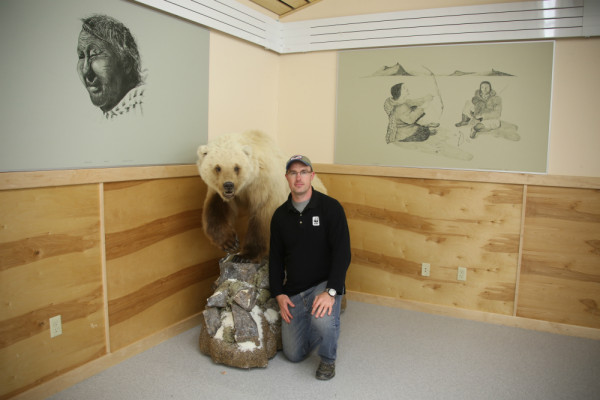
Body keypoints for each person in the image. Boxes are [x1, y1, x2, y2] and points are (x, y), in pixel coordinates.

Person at [269, 155, 351, 380]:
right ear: (287, 177)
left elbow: (343, 254)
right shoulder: (279, 216)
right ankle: (318, 324)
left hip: (323, 285)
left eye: (304, 172)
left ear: (312, 176)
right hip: (295, 290)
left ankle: (328, 358)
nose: (299, 177)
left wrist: (332, 291)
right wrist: (279, 293)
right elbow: (275, 259)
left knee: (323, 320)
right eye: (293, 173)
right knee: (293, 354)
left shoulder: (331, 208)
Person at [77, 14, 145, 120]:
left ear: (125, 62)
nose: (86, 69)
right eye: (81, 56)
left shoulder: (141, 107)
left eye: (94, 54)